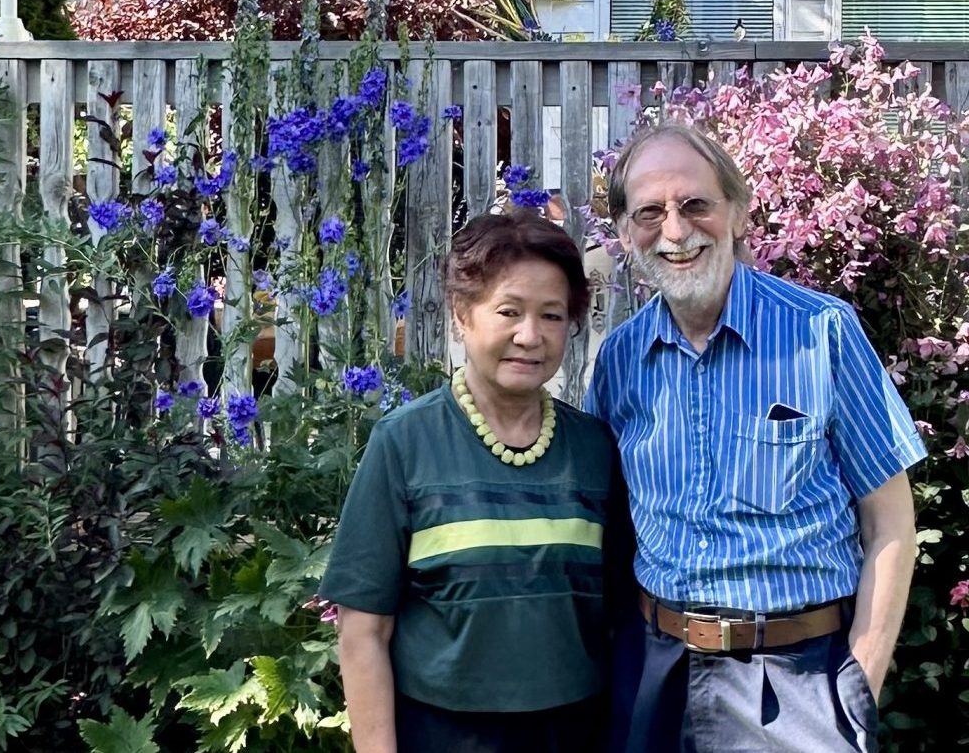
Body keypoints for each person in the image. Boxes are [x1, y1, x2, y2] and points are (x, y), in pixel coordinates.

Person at [586, 123, 925, 753]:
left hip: (796, 681)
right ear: (628, 232)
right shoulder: (619, 360)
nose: (676, 230)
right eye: (650, 213)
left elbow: (891, 527)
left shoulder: (822, 333)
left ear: (739, 214)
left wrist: (859, 684)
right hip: (653, 674)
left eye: (695, 205)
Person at [320, 211, 619, 753]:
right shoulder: (405, 444)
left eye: (552, 316)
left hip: (577, 734)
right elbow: (363, 632)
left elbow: (619, 617)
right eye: (509, 311)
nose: (530, 336)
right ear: (462, 313)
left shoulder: (596, 450)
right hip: (442, 734)